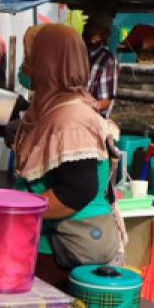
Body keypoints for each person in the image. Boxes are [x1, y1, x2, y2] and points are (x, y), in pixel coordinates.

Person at [13, 24, 122, 282]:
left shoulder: (71, 117)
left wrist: (14, 211)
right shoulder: (49, 109)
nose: (25, 67)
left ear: (49, 63)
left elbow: (77, 191)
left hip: (68, 253)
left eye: (31, 58)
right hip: (46, 244)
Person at [83, 16, 118, 117]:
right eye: (88, 27)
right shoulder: (80, 54)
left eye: (96, 29)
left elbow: (105, 102)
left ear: (104, 35)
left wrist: (83, 108)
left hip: (95, 119)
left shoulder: (107, 60)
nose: (90, 32)